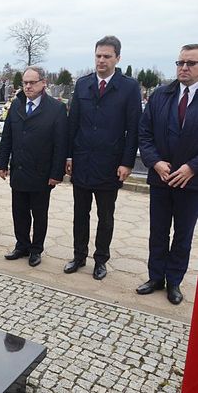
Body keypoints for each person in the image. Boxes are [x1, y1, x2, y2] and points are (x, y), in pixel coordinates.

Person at [64, 36, 142, 280]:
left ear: (117, 58)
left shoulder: (129, 87)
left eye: (107, 56)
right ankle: (78, 256)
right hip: (83, 160)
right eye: (98, 55)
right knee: (80, 214)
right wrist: (68, 156)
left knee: (105, 216)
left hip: (110, 163)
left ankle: (101, 260)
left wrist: (127, 162)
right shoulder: (83, 84)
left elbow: (134, 128)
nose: (101, 60)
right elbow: (72, 123)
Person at [136, 44, 198, 305]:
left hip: (191, 181)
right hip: (161, 178)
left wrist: (192, 167)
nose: (183, 67)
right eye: (180, 62)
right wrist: (155, 162)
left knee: (182, 235)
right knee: (158, 231)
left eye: (190, 63)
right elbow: (144, 133)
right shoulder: (161, 95)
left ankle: (174, 281)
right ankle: (155, 277)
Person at [0, 66, 67, 266]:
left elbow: (60, 144)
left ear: (43, 83)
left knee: (39, 213)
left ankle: (36, 249)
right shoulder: (17, 105)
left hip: (42, 172)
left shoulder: (56, 108)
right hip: (19, 169)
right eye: (25, 83)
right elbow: (7, 137)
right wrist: (2, 163)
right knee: (19, 211)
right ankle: (22, 245)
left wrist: (57, 173)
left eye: (32, 82)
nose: (28, 86)